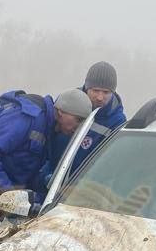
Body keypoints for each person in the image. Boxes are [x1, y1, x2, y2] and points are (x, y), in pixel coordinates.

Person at [0, 88, 93, 210]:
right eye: (79, 119)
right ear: (61, 112)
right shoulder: (25, 116)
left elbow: (26, 169)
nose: (79, 126)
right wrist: (11, 197)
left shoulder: (50, 132)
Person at [39, 61, 126, 191]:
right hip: (49, 177)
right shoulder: (68, 102)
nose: (100, 97)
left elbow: (108, 164)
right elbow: (48, 138)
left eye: (106, 92)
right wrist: (45, 172)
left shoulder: (116, 121)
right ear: (86, 87)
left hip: (80, 189)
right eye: (95, 90)